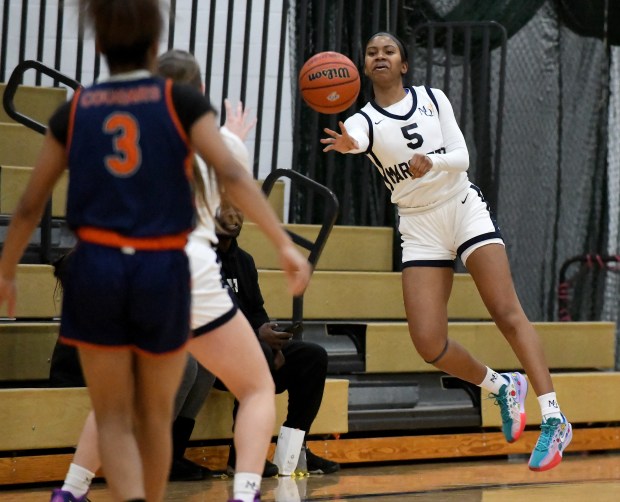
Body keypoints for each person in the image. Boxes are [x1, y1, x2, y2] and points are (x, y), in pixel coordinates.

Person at [0, 1, 310, 500]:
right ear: (153, 42)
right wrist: (283, 243)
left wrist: (7, 267)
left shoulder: (75, 108)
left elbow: (31, 203)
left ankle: (74, 488)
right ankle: (244, 490)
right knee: (186, 404)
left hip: (95, 266)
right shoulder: (182, 111)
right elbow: (231, 172)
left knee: (114, 412)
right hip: (166, 266)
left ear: (97, 44)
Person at [320, 31, 572, 472]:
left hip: (460, 207)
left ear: (403, 65)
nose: (380, 56)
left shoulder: (433, 99)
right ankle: (500, 386)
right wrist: (350, 144)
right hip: (419, 226)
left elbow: (462, 155)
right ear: (363, 68)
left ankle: (554, 415)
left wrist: (433, 161)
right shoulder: (363, 119)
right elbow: (358, 138)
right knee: (428, 343)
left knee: (505, 310)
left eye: (389, 51)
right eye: (372, 52)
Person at [214, 203, 340, 476]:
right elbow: (213, 315)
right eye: (224, 209)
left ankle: (292, 451)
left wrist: (272, 339)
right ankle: (242, 458)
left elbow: (257, 310)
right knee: (259, 351)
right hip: (213, 353)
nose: (233, 215)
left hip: (252, 347)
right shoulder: (200, 259)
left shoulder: (244, 261)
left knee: (312, 356)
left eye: (238, 209)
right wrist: (258, 338)